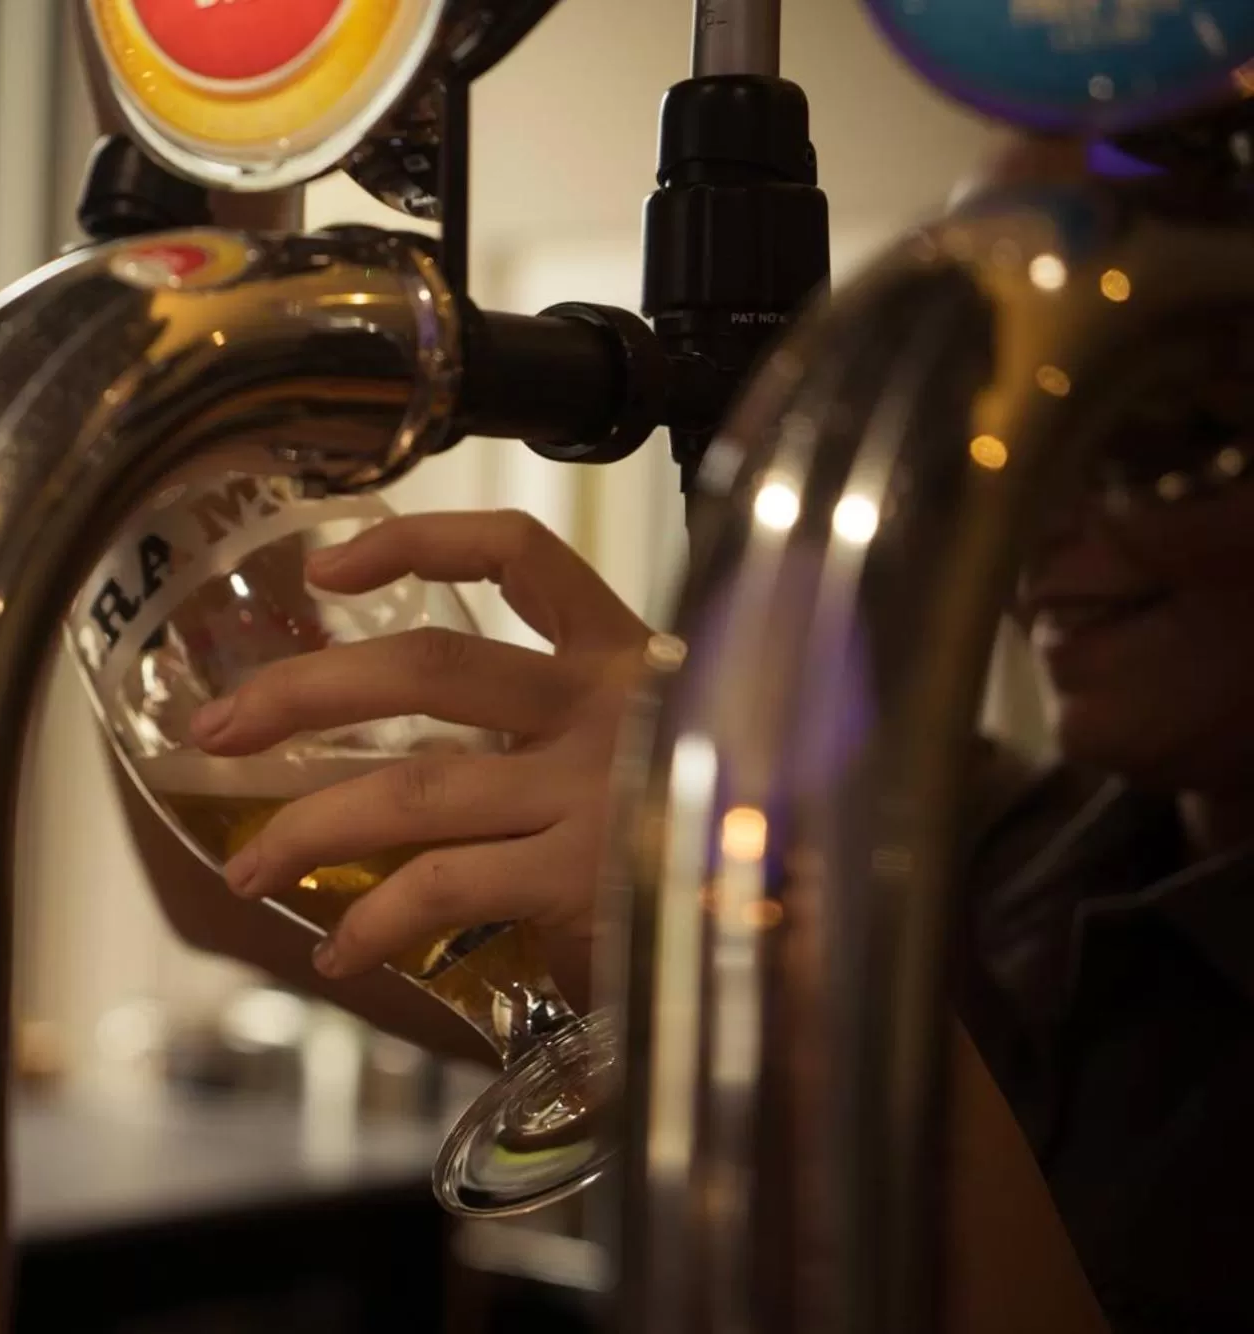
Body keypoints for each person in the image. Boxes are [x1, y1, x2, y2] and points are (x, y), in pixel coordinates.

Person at [112, 134, 1254, 1333]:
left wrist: (776, 912)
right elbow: (236, 897)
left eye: (1167, 436)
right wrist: (181, 345)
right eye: (1010, 437)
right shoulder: (1013, 840)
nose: (1030, 527)